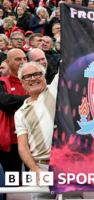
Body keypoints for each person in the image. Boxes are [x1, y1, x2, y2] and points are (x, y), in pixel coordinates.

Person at [15, 61, 83, 200]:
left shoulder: (56, 89)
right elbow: (22, 147)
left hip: (68, 163)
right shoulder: (20, 113)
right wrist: (35, 169)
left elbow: (68, 60)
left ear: (45, 76)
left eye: (37, 74)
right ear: (21, 82)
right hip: (41, 166)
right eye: (27, 76)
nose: (33, 78)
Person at [0, 49, 28, 200]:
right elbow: (4, 103)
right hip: (10, 144)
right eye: (18, 59)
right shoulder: (2, 82)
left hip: (34, 143)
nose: (23, 61)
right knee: (12, 184)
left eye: (24, 58)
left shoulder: (34, 81)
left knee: (38, 183)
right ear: (8, 63)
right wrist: (30, 98)